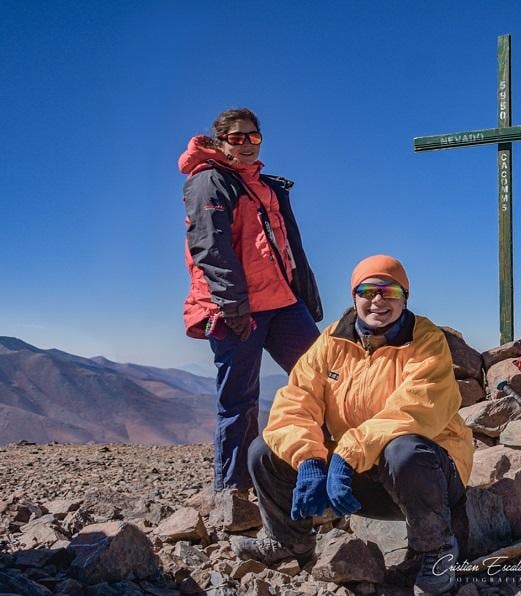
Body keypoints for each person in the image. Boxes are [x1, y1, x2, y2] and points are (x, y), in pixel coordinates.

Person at [231, 255, 473, 596]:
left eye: (389, 291)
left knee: (403, 447)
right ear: (354, 296)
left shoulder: (426, 342)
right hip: (352, 479)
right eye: (367, 291)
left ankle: (435, 550)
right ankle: (288, 541)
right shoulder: (331, 342)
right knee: (265, 449)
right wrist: (311, 460)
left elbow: (415, 409)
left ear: (405, 297)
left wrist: (346, 455)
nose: (378, 300)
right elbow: (297, 401)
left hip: (424, 476)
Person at [180, 108, 323, 492]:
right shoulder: (209, 182)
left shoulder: (263, 184)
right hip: (237, 310)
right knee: (240, 402)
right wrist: (232, 306)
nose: (245, 144)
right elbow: (210, 247)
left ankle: (330, 467)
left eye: (253, 137)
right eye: (237, 137)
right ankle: (235, 493)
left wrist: (303, 295)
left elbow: (286, 246)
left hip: (282, 303)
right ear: (221, 141)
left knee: (323, 376)